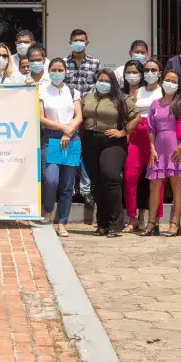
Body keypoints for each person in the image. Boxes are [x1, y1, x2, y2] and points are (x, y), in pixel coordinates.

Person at [81, 69, 139, 237]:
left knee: (110, 176)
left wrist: (123, 132)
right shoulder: (88, 98)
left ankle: (116, 224)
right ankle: (102, 224)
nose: (103, 83)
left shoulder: (121, 99)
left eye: (107, 81)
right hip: (90, 141)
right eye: (100, 80)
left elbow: (136, 117)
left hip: (112, 141)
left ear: (112, 82)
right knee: (97, 181)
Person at [145, 69, 181, 237]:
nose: (170, 84)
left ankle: (175, 222)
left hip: (176, 148)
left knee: (176, 185)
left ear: (179, 85)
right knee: (155, 186)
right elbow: (151, 129)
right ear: (162, 80)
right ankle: (152, 222)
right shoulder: (155, 104)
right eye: (167, 80)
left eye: (174, 81)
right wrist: (152, 148)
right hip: (158, 148)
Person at [38, 58, 82, 237]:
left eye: (60, 70)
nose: (57, 73)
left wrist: (68, 131)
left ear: (66, 72)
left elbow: (79, 116)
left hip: (72, 139)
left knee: (67, 183)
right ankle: (47, 211)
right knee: (51, 179)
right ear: (48, 71)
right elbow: (41, 118)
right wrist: (62, 128)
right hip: (51, 138)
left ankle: (62, 222)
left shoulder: (72, 91)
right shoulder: (42, 91)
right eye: (53, 70)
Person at [122, 59, 163, 232]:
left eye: (154, 69)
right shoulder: (137, 91)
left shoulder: (164, 91)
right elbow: (128, 113)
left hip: (157, 137)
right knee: (130, 176)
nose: (150, 72)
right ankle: (133, 218)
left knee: (156, 180)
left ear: (160, 73)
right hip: (137, 136)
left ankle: (154, 219)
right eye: (147, 69)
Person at [64, 29, 100, 205]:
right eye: (75, 40)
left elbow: (99, 88)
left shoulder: (95, 63)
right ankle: (69, 190)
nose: (78, 42)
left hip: (87, 115)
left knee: (85, 153)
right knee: (70, 152)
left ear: (87, 42)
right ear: (70, 41)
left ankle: (85, 190)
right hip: (67, 116)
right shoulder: (63, 63)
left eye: (82, 40)